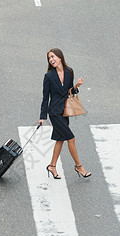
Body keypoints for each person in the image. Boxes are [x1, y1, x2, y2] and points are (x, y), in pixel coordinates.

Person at [38, 48, 91, 179]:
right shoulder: (49, 76)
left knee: (60, 139)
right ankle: (79, 166)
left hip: (65, 111)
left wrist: (77, 86)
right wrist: (42, 116)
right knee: (70, 138)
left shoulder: (69, 72)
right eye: (49, 58)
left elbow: (69, 91)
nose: (51, 60)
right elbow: (45, 97)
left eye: (53, 57)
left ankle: (52, 166)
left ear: (60, 57)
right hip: (55, 113)